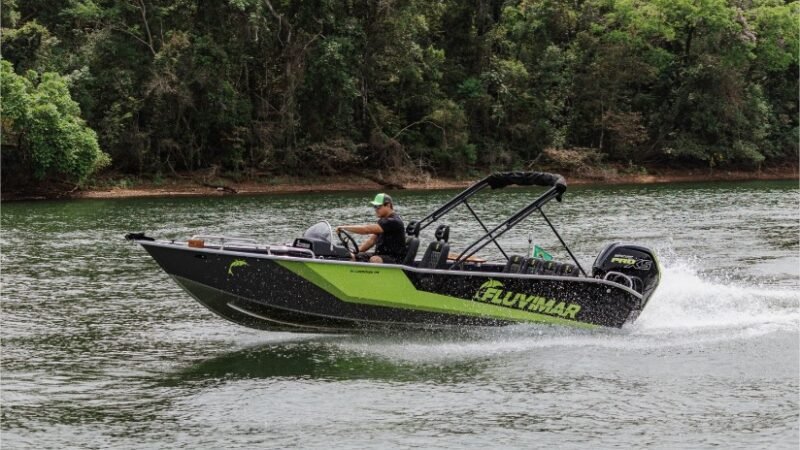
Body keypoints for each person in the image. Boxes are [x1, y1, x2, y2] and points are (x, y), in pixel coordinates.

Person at [336, 193, 406, 263]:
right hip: (381, 255)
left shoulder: (393, 221)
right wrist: (356, 252)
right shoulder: (383, 221)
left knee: (375, 259)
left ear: (388, 205)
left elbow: (366, 230)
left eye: (378, 206)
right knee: (351, 256)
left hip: (395, 259)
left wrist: (344, 227)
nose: (376, 209)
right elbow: (371, 241)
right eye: (374, 206)